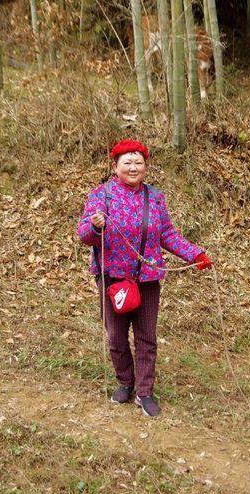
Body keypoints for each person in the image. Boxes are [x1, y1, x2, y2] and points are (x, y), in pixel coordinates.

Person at [76, 139, 213, 417]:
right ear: (115, 167)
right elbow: (84, 235)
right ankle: (125, 382)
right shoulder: (101, 196)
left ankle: (144, 392)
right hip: (112, 279)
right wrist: (94, 225)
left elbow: (167, 235)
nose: (133, 167)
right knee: (115, 337)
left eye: (138, 162)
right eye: (127, 162)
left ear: (146, 167)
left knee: (146, 338)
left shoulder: (155, 197)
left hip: (147, 279)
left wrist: (195, 255)